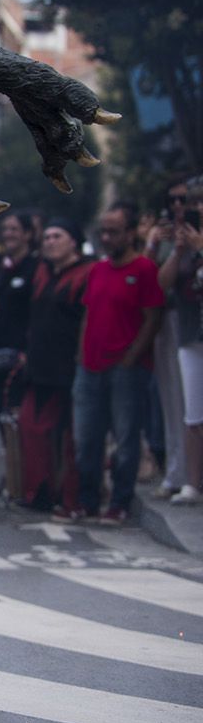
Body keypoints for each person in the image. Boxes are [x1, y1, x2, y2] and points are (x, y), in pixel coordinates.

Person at [74, 202, 165, 526]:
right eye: (104, 232)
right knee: (87, 439)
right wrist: (81, 354)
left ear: (130, 233)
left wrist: (131, 357)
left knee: (126, 439)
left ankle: (120, 503)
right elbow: (88, 313)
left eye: (114, 232)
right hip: (90, 366)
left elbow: (153, 318)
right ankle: (87, 501)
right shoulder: (97, 270)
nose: (107, 237)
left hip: (125, 369)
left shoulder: (144, 270)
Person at [18, 219, 92, 518]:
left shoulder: (88, 272)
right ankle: (39, 493)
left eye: (57, 236)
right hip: (40, 366)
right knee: (31, 427)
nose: (49, 242)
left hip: (73, 365)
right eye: (46, 237)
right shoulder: (41, 272)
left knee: (74, 437)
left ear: (73, 241)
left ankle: (72, 498)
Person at [0, 211, 38, 491]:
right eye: (6, 229)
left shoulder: (35, 268)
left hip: (21, 353)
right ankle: (13, 475)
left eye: (15, 229)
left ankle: (27, 475)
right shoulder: (3, 268)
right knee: (4, 416)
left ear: (28, 234)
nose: (9, 234)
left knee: (20, 416)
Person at [145, 175, 192, 498]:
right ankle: (178, 473)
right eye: (172, 200)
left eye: (184, 200)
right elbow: (154, 284)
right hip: (171, 320)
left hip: (194, 322)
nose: (178, 207)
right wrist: (155, 244)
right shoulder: (165, 236)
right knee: (173, 401)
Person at [159, 179, 203, 507]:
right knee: (192, 413)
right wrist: (178, 249)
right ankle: (191, 483)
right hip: (190, 332)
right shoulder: (184, 240)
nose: (193, 209)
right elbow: (163, 283)